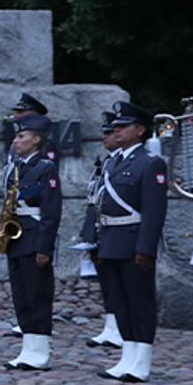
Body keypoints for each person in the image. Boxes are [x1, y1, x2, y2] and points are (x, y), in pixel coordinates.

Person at [93, 101, 168, 383]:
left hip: (134, 241)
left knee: (140, 302)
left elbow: (154, 211)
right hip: (111, 240)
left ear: (139, 130)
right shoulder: (113, 162)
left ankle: (142, 359)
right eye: (116, 127)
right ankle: (128, 355)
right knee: (120, 302)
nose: (117, 131)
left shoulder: (150, 163)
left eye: (124, 126)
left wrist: (146, 248)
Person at [1, 114, 63, 370]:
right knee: (21, 295)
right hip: (16, 237)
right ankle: (28, 347)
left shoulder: (46, 168)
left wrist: (44, 247)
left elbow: (51, 212)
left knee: (37, 295)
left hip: (35, 237)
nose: (16, 141)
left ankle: (40, 350)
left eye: (21, 136)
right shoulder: (17, 167)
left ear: (36, 140)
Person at [81, 110, 126, 351]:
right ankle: (111, 325)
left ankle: (123, 327)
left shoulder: (128, 162)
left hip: (120, 230)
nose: (104, 137)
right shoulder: (107, 162)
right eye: (105, 133)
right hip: (101, 227)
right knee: (107, 282)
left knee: (121, 283)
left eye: (109, 133)